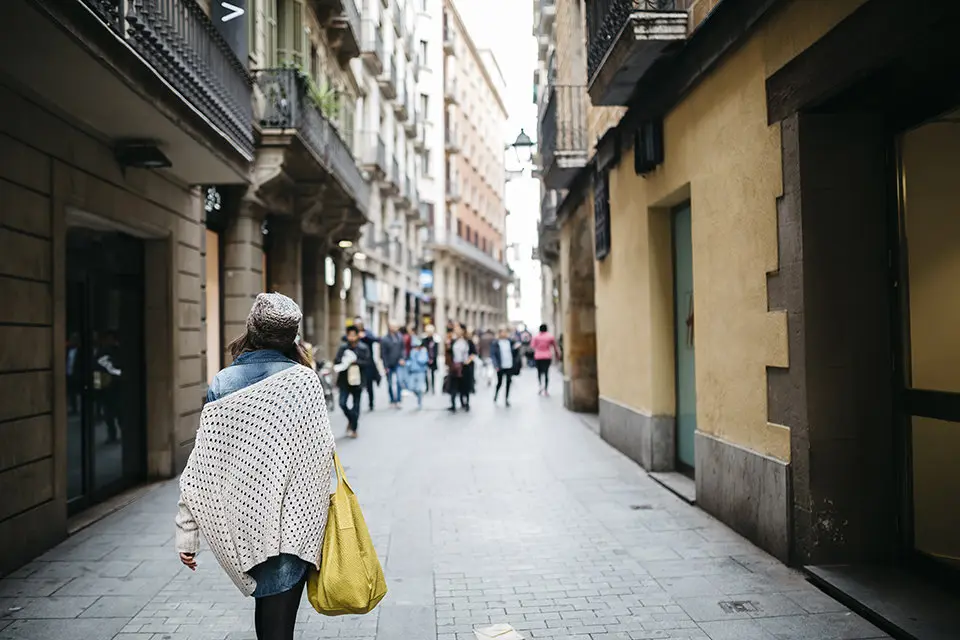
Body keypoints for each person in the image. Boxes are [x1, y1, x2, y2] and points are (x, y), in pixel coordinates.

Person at [176, 293, 335, 640]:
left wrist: (187, 533)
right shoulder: (304, 381)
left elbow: (202, 465)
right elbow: (322, 456)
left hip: (243, 520)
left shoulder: (223, 382)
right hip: (295, 522)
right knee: (278, 624)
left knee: (268, 616)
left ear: (251, 329)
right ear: (293, 337)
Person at [335, 325, 372, 438]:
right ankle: (351, 419)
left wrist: (356, 362)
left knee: (356, 405)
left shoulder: (363, 348)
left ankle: (354, 428)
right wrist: (344, 361)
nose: (351, 337)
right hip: (344, 380)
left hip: (358, 380)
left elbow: (367, 362)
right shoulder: (343, 348)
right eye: (349, 335)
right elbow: (336, 360)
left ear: (357, 336)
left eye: (353, 335)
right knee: (342, 403)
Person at [446, 323, 476, 412]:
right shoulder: (453, 341)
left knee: (465, 386)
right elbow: (449, 353)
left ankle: (466, 403)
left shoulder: (468, 341)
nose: (456, 331)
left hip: (465, 367)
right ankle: (453, 404)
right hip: (455, 366)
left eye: (458, 329)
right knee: (453, 385)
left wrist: (468, 361)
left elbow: (473, 353)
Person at [351, 317, 380, 411]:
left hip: (367, 363)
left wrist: (365, 336)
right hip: (355, 363)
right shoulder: (353, 333)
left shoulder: (367, 333)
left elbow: (376, 339)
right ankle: (356, 404)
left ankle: (371, 403)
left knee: (369, 384)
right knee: (355, 384)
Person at [491, 326, 521, 407]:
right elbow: (493, 355)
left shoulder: (510, 342)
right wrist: (496, 365)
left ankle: (506, 399)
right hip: (500, 366)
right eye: (502, 332)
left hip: (509, 365)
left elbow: (514, 352)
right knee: (499, 382)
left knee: (508, 382)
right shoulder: (496, 343)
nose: (504, 334)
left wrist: (516, 348)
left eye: (505, 332)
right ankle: (496, 395)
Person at [531, 323, 562, 396]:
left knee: (539, 372)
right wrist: (558, 355)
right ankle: (546, 389)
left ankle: (540, 386)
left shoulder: (536, 337)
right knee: (546, 373)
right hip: (547, 356)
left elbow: (532, 346)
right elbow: (555, 347)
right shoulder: (550, 337)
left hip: (538, 356)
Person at [380, 322, 405, 409]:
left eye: (396, 326)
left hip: (398, 363)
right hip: (389, 364)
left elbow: (403, 349)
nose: (394, 328)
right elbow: (383, 354)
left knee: (399, 381)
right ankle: (391, 400)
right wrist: (385, 366)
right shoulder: (385, 339)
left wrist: (402, 358)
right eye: (393, 326)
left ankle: (398, 400)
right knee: (390, 383)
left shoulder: (400, 337)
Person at [405, 337, 429, 409]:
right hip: (413, 371)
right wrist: (407, 364)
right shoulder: (412, 351)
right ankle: (419, 395)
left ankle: (420, 401)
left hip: (421, 372)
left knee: (419, 388)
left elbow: (422, 360)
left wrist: (418, 354)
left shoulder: (423, 351)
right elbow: (410, 360)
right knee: (411, 387)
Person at [423, 324, 439, 394]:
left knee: (433, 374)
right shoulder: (424, 340)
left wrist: (433, 358)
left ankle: (432, 388)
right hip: (426, 359)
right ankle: (427, 387)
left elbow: (436, 351)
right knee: (426, 374)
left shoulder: (435, 340)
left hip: (433, 359)